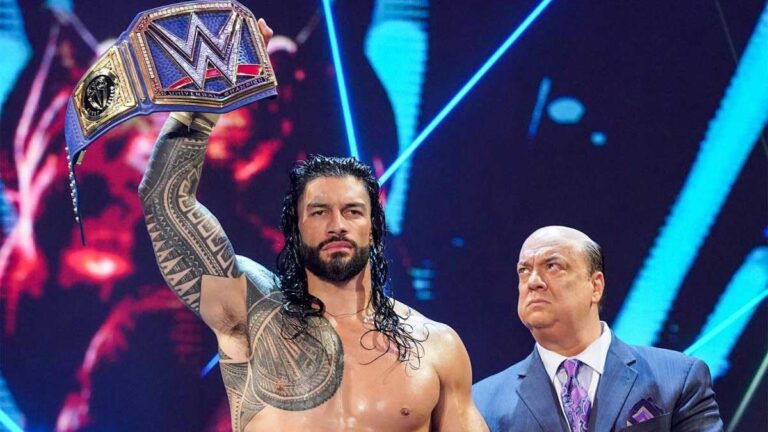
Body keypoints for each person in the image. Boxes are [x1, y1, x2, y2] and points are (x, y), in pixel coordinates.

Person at [137, 19, 486, 432]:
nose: (337, 224)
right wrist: (208, 89)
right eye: (319, 212)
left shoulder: (435, 347)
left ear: (375, 225)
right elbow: (164, 201)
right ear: (296, 227)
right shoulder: (250, 317)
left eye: (352, 211)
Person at [472, 226, 723, 432]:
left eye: (552, 266)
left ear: (596, 286)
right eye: (524, 271)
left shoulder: (678, 378)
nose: (534, 281)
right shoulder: (483, 403)